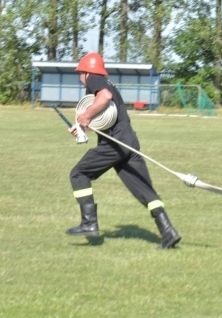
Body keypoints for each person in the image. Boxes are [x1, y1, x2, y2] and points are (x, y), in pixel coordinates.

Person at [66, 52, 181, 249]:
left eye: (80, 73)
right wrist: (83, 126)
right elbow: (106, 118)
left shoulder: (95, 80)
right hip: (129, 143)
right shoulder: (108, 83)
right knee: (144, 190)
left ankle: (89, 222)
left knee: (79, 173)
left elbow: (104, 98)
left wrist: (84, 116)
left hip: (115, 145)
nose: (79, 78)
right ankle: (168, 232)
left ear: (87, 71)